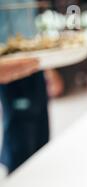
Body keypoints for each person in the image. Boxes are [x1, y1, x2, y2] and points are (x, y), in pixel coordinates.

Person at [0, 1, 50, 173]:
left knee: (41, 128)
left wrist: (49, 68)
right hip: (10, 65)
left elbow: (32, 27)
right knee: (20, 132)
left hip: (35, 63)